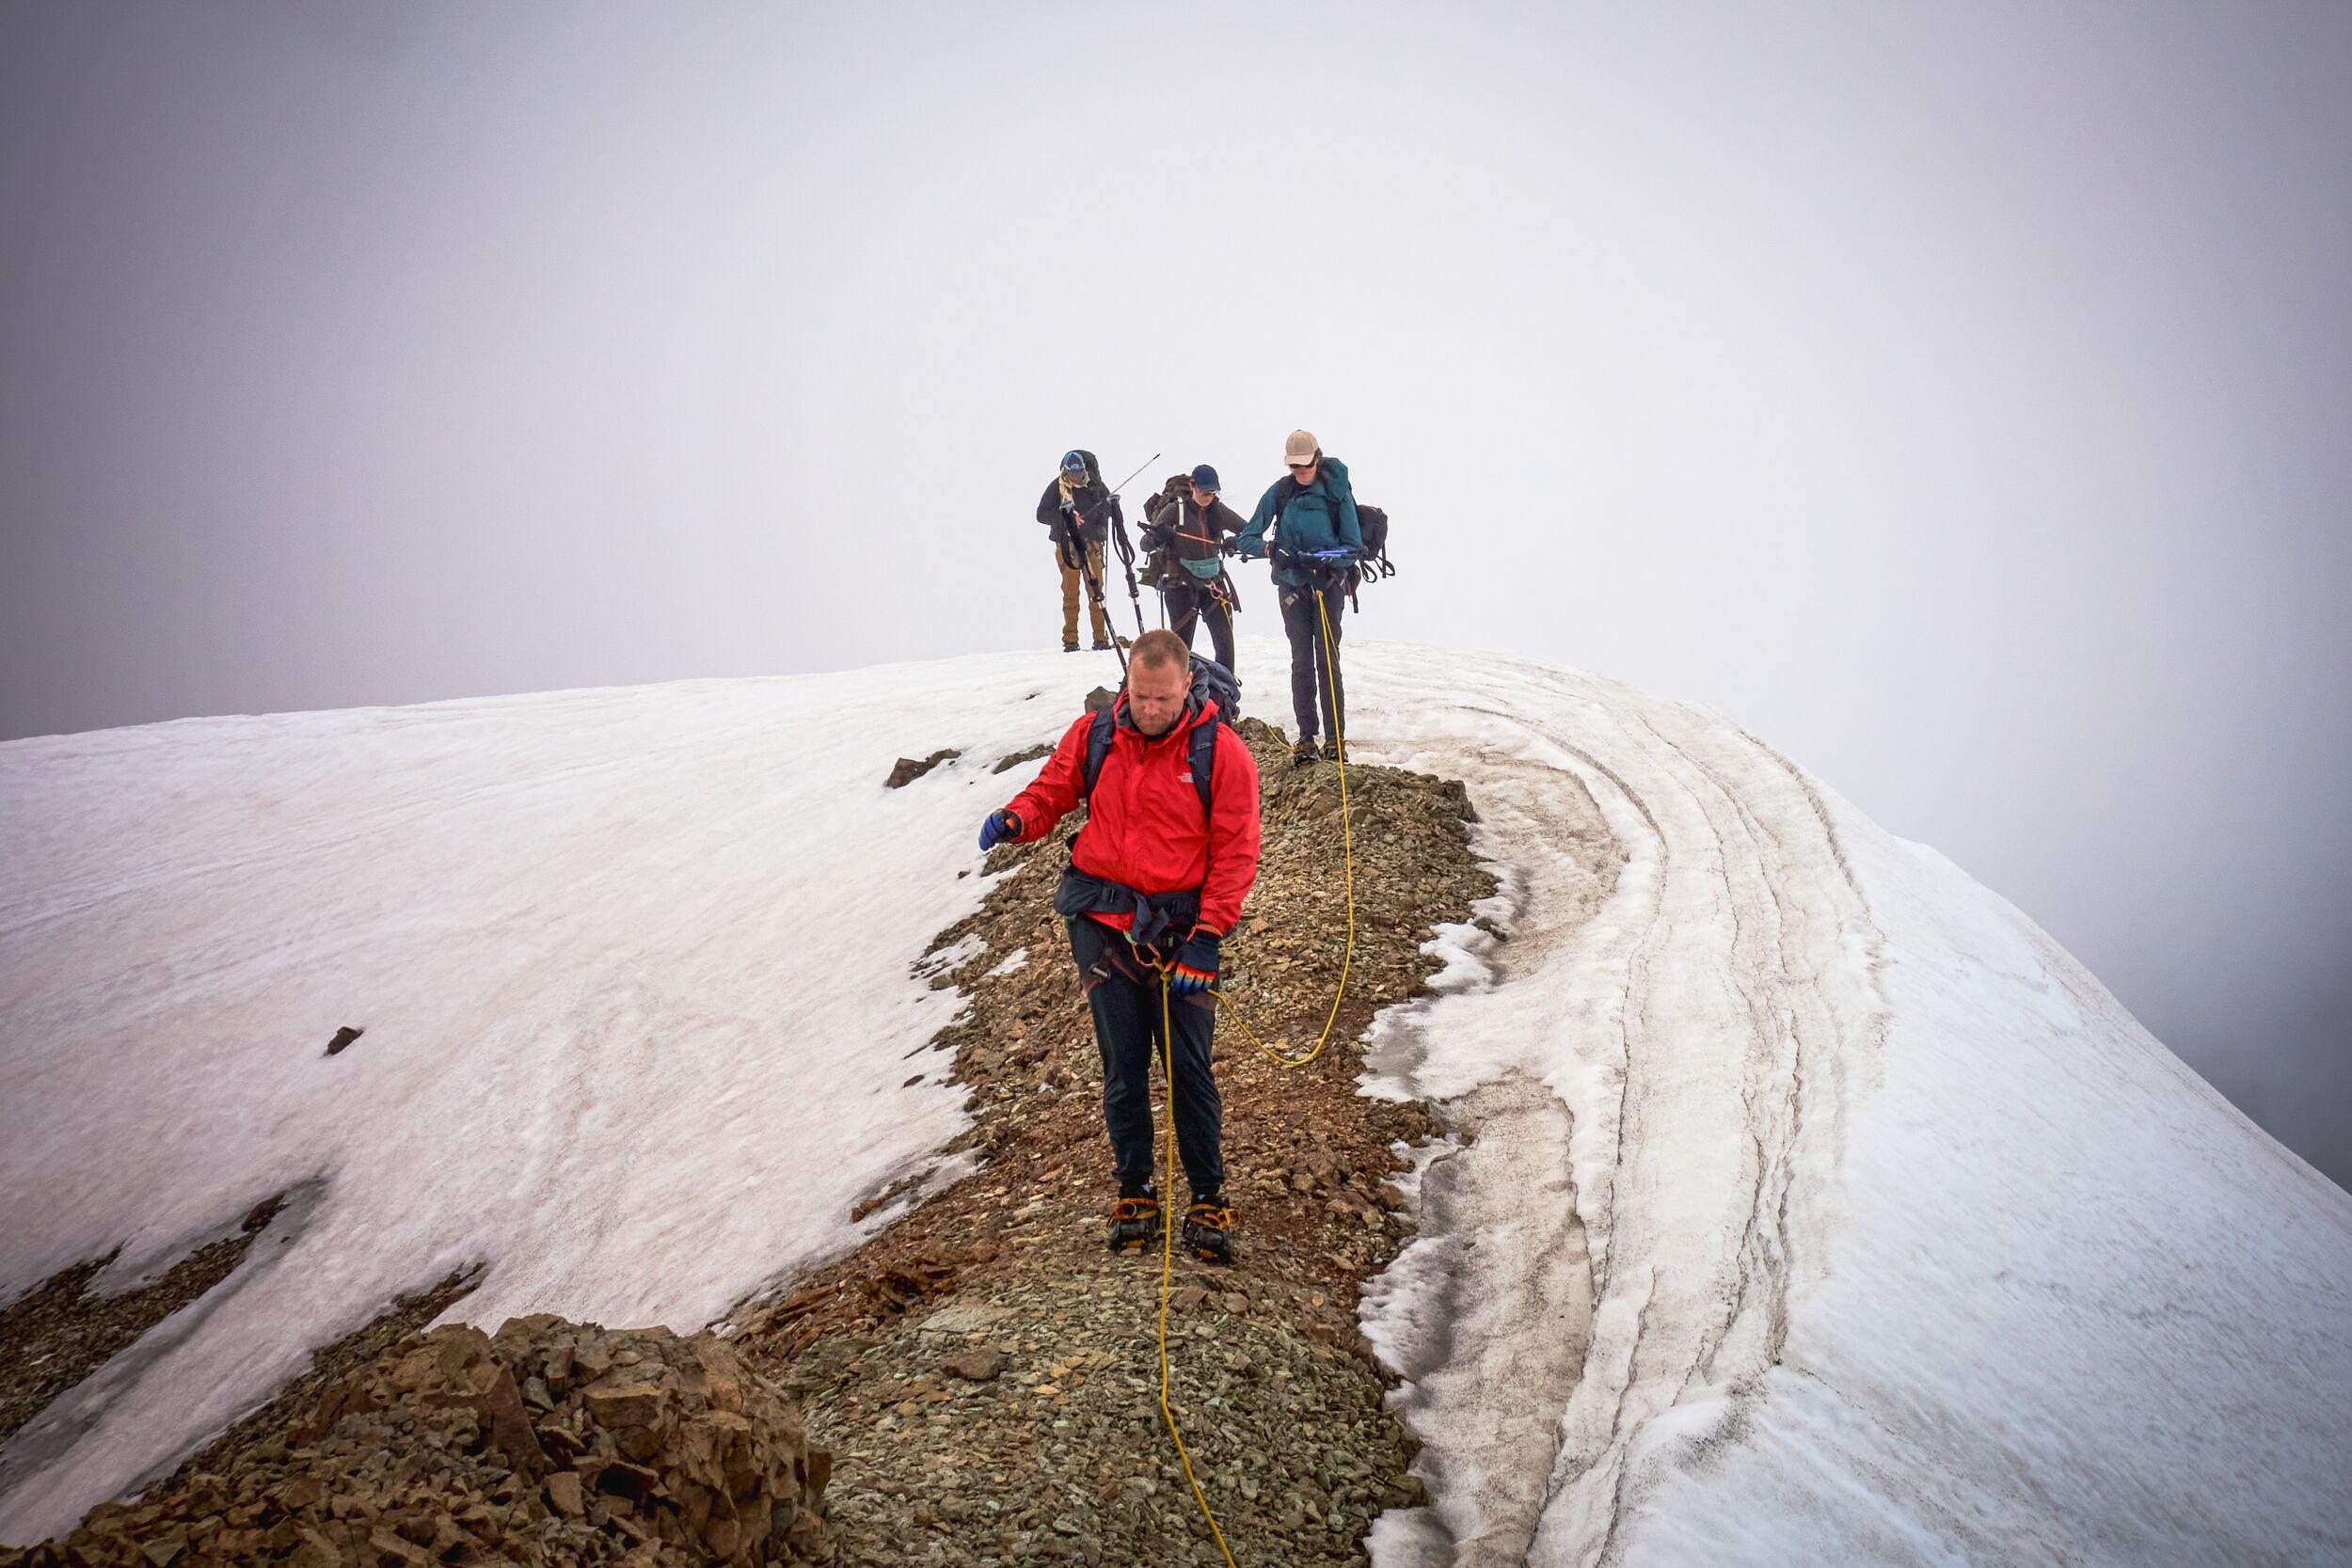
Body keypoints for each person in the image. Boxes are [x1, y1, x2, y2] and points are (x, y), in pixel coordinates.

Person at [977, 628, 1263, 1263]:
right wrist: (1018, 818)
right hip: (1102, 921)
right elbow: (1053, 791)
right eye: (1139, 696)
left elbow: (1237, 852)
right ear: (1126, 683)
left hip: (1182, 933)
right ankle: (1134, 1191)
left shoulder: (1224, 754)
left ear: (1188, 686)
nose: (1149, 709)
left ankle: (1207, 1197)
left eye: (1161, 698)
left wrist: (1208, 938)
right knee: (1123, 1063)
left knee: (1188, 1066)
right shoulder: (1097, 733)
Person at [1237, 429, 1362, 766]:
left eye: (1305, 467)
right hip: (1292, 588)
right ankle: (1307, 739)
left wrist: (1329, 560)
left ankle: (1336, 742)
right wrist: (1271, 549)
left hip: (1328, 587)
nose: (1300, 473)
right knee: (1302, 662)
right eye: (1295, 468)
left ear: (1317, 460)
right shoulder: (1279, 492)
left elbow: (1354, 545)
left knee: (1327, 661)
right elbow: (1246, 538)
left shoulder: (1336, 493)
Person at [1139, 464, 1243, 675]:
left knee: (1225, 642)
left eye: (1213, 492)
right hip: (1180, 585)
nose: (1209, 497)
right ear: (1193, 486)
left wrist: (1236, 541)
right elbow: (1145, 543)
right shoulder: (1175, 509)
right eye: (1205, 492)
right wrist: (1159, 535)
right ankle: (1178, 699)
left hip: (1213, 583)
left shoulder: (1218, 510)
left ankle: (1226, 697)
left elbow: (1249, 531)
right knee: (1181, 649)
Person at [1036, 450, 1120, 652]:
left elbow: (1108, 510)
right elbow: (1041, 514)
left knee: (1096, 592)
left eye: (1079, 471)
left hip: (1092, 545)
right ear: (1065, 470)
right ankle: (1070, 640)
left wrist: (1096, 513)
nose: (1075, 475)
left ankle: (1101, 638)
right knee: (1070, 592)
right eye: (1072, 472)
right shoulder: (1056, 488)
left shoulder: (1096, 486)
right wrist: (1066, 517)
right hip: (1067, 546)